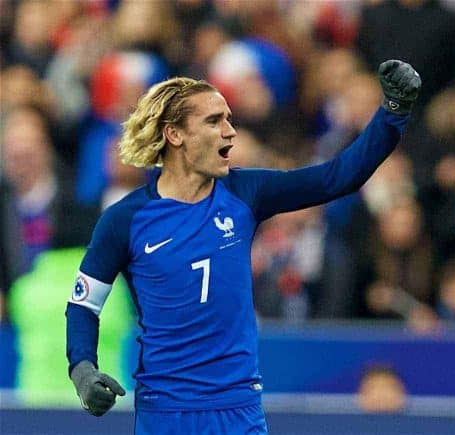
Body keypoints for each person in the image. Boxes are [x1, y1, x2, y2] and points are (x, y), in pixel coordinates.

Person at [65, 59, 421, 434]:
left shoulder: (244, 193)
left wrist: (393, 112)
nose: (230, 132)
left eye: (229, 119)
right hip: (166, 412)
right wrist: (83, 369)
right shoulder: (126, 219)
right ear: (175, 135)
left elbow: (338, 177)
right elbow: (84, 304)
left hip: (238, 409)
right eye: (214, 121)